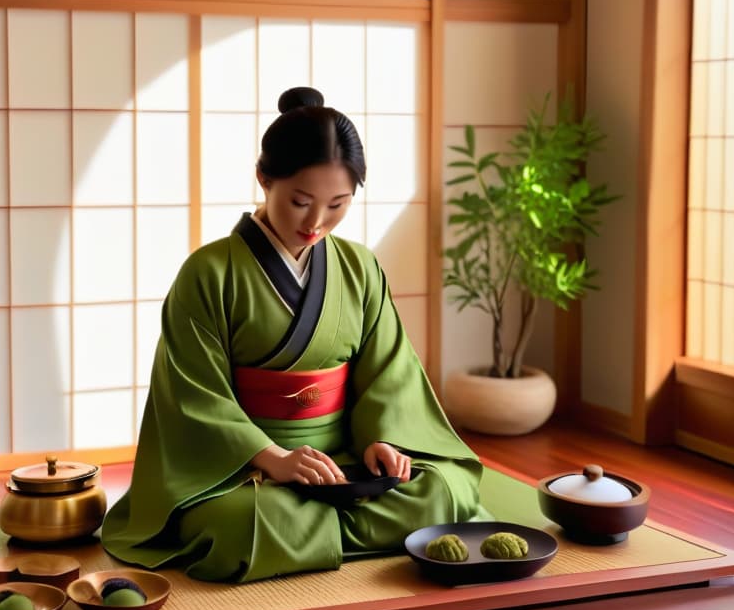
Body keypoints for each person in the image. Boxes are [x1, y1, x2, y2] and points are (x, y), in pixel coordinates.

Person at [101, 87, 487, 583]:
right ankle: (333, 531)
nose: (316, 222)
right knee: (239, 525)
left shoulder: (360, 267)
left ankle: (313, 537)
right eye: (301, 201)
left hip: (345, 462)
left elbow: (389, 372)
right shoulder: (209, 273)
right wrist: (276, 459)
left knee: (446, 491)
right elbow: (193, 396)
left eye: (338, 204)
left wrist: (382, 440)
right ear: (264, 179)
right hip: (248, 473)